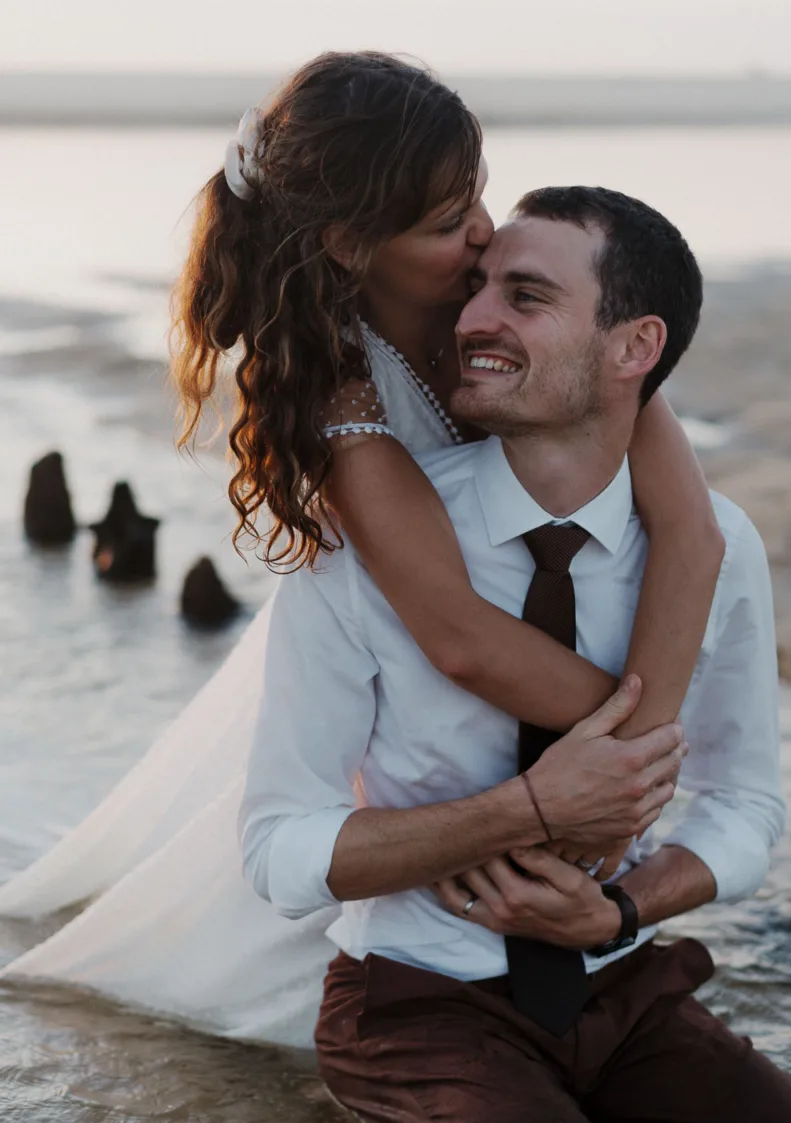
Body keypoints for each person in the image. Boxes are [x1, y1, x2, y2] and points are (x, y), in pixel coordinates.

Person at [241, 187, 791, 1123]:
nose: (474, 317)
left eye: (524, 295)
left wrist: (622, 910)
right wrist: (522, 815)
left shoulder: (714, 543)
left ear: (637, 346)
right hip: (414, 1001)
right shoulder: (369, 548)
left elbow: (746, 806)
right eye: (476, 286)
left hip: (617, 981)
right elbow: (276, 849)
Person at [0, 53, 722, 1046]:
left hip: (555, 673)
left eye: (475, 191)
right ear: (346, 246)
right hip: (395, 670)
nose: (482, 231)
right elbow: (455, 636)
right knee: (343, 956)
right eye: (442, 221)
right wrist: (622, 761)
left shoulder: (540, 317)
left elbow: (691, 527)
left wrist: (632, 765)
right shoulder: (342, 395)